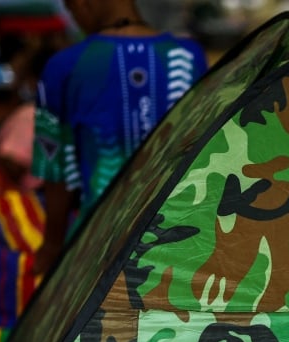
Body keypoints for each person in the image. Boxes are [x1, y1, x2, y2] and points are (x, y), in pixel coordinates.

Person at [30, 0, 207, 274]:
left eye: (70, 7)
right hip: (184, 245)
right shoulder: (190, 57)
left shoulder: (64, 66)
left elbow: (57, 173)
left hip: (100, 250)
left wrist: (51, 247)